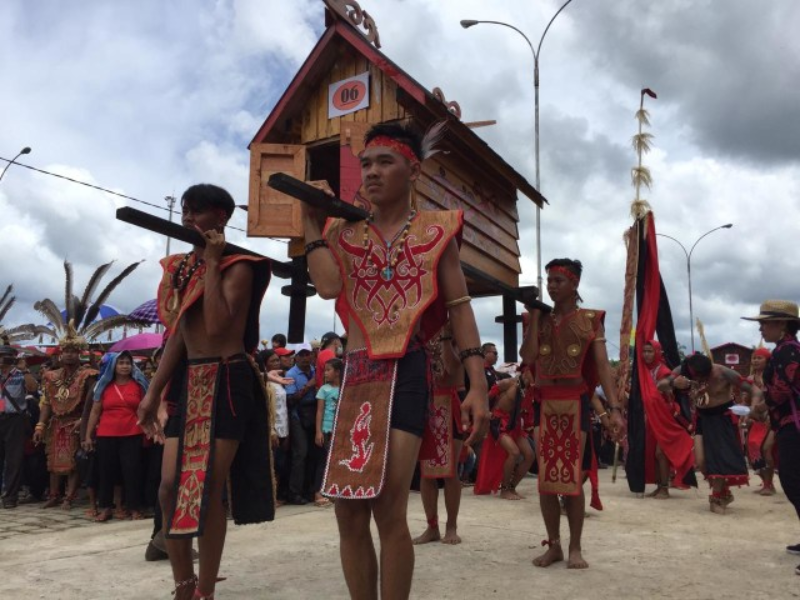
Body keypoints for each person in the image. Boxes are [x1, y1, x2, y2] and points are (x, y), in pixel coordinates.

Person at [302, 121, 488, 599]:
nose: (372, 172)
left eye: (385, 162)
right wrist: (309, 221)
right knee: (347, 510)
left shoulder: (436, 228)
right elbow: (327, 287)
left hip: (407, 369)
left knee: (387, 506)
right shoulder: (339, 232)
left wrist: (478, 386)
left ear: (413, 168)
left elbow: (459, 308)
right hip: (358, 375)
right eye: (366, 164)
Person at [136, 183, 275, 600]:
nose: (188, 220)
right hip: (190, 380)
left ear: (221, 218)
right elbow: (179, 336)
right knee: (168, 487)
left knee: (206, 486)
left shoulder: (239, 266)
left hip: (228, 379)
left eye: (197, 212)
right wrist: (153, 394)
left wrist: (213, 263)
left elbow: (216, 328)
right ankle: (183, 583)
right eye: (185, 212)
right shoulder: (180, 269)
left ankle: (206, 590)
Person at [520, 258, 625, 569]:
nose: (551, 286)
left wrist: (615, 408)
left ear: (574, 284)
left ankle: (575, 547)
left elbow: (603, 366)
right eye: (548, 280)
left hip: (574, 402)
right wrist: (535, 321)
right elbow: (527, 358)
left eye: (558, 281)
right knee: (546, 480)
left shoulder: (592, 319)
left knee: (573, 480)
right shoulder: (536, 319)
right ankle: (553, 546)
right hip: (545, 403)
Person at [658, 353, 760, 514]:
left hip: (722, 418)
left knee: (719, 460)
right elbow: (661, 385)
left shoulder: (723, 372)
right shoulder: (682, 370)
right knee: (701, 461)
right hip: (702, 419)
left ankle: (716, 497)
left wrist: (751, 409)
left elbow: (755, 390)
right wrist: (674, 383)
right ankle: (724, 492)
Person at [743, 300, 800, 571]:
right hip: (788, 423)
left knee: (793, 479)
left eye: (765, 323)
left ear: (783, 324)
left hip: (795, 425)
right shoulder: (784, 350)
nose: (762, 328)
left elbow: (781, 390)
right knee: (792, 479)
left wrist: (761, 407)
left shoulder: (789, 351)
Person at [33, 323, 98, 510]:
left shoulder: (88, 375)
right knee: (53, 460)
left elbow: (93, 402)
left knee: (73, 462)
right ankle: (54, 495)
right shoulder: (51, 376)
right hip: (56, 423)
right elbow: (47, 402)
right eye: (66, 351)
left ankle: (69, 497)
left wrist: (83, 422)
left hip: (76, 422)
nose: (69, 354)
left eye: (73, 351)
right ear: (61, 353)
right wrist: (40, 425)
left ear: (79, 353)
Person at [414, 326, 467, 544]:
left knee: (450, 472)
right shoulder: (419, 330)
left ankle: (451, 525)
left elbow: (453, 371)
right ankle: (432, 526)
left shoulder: (454, 331)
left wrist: (445, 336)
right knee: (426, 473)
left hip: (448, 403)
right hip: (425, 404)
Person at [83, 351, 149, 521]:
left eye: (128, 363)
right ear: (114, 366)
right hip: (106, 434)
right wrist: (88, 435)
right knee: (106, 472)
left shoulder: (139, 385)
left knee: (132, 471)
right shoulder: (103, 385)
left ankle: (134, 508)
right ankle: (105, 508)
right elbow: (95, 411)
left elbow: (146, 409)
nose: (125, 366)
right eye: (121, 363)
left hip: (132, 433)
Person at [640, 340, 695, 499]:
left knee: (660, 452)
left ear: (657, 352)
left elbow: (668, 389)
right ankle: (659, 485)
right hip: (651, 415)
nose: (647, 354)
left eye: (650, 351)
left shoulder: (663, 370)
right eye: (644, 351)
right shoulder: (643, 370)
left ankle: (664, 488)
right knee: (653, 452)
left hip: (665, 415)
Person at [0, 343, 38, 509]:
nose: (2, 360)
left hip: (15, 419)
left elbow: (32, 388)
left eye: (6, 356)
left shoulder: (20, 374)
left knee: (14, 459)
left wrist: (23, 369)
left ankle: (10, 496)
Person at [285, 342, 317, 505]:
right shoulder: (291, 374)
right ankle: (294, 492)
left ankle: (309, 489)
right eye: (302, 355)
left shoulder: (315, 371)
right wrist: (308, 387)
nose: (305, 357)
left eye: (308, 354)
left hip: (314, 413)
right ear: (296, 357)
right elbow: (290, 401)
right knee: (300, 453)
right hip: (298, 415)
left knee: (313, 453)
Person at [743, 347, 776, 495]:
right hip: (756, 419)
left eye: (759, 358)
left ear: (767, 360)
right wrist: (744, 416)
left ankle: (769, 484)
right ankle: (766, 482)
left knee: (766, 449)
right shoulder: (749, 379)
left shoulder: (774, 377)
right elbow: (746, 400)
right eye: (754, 358)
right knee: (752, 451)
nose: (755, 360)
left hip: (773, 418)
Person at [314, 357, 342, 508]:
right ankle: (318, 492)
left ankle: (332, 490)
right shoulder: (323, 389)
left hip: (340, 430)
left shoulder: (345, 388)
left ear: (337, 372)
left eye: (328, 370)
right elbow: (319, 411)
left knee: (337, 461)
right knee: (324, 461)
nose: (325, 373)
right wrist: (318, 432)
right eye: (325, 370)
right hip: (327, 429)